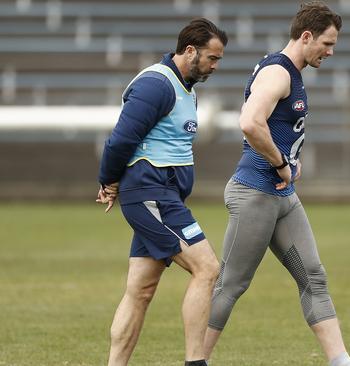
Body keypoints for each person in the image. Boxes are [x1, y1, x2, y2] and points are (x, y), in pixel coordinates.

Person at [202, 3, 350, 366]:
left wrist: (289, 160)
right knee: (231, 284)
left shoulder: (289, 70)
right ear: (306, 36)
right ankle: (196, 362)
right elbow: (249, 122)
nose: (330, 51)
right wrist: (280, 162)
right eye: (326, 43)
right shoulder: (279, 72)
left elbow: (273, 127)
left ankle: (342, 363)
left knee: (314, 277)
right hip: (255, 193)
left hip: (281, 195)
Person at [95, 18, 227, 366]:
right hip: (151, 196)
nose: (215, 66)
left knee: (140, 290)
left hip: (163, 197)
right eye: (212, 58)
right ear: (189, 51)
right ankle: (196, 363)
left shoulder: (187, 87)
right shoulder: (157, 84)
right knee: (208, 268)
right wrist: (108, 180)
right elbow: (121, 138)